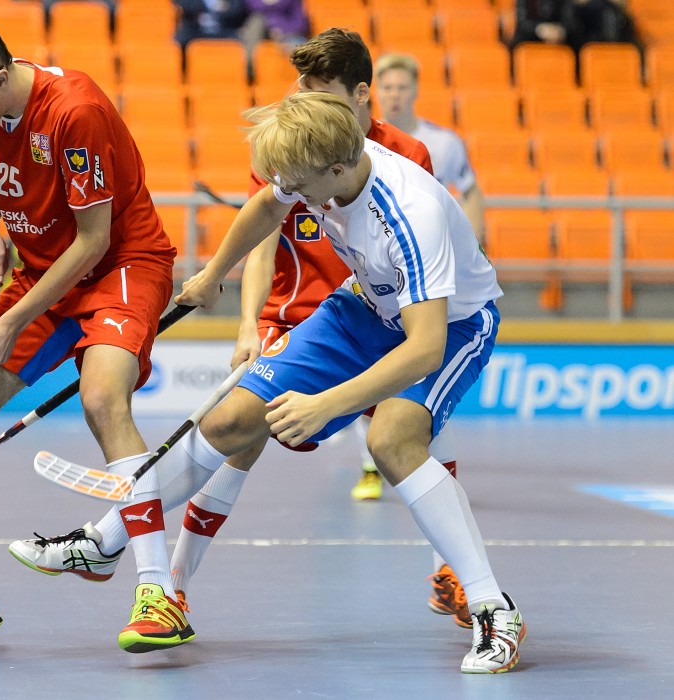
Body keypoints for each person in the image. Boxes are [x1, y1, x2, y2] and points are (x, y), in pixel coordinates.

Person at [12, 26, 471, 634]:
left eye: (320, 91)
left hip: (377, 314)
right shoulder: (295, 140)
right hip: (299, 315)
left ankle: (460, 577)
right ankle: (166, 590)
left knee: (408, 438)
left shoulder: (404, 155)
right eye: (300, 88)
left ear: (360, 96)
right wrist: (249, 322)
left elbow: (413, 247)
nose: (302, 101)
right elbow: (266, 230)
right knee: (234, 434)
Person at [164, 92, 524, 673]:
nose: (298, 200)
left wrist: (324, 404)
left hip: (452, 325)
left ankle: (492, 607)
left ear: (335, 169)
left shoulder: (410, 211)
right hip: (363, 305)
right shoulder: (322, 165)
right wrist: (212, 273)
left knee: (392, 440)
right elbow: (266, 206)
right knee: (230, 421)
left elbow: (424, 346)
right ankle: (106, 538)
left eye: (303, 187)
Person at [0, 19, 183, 654]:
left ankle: (158, 595)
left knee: (102, 400)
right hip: (41, 268)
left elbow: (93, 242)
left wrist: (8, 322)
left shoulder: (76, 113)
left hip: (120, 263)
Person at [374, 52, 486, 244]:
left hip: (433, 244)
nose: (394, 95)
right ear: (376, 92)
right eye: (387, 88)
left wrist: (472, 245)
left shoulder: (445, 142)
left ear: (416, 90)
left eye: (402, 88)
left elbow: (472, 192)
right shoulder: (364, 142)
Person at [509, 0, 638, 54]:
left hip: (561, 44)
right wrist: (540, 29)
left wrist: (561, 31)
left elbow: (570, 22)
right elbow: (522, 22)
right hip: (530, 40)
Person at [174, 0, 250, 50]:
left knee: (243, 42)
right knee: (178, 42)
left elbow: (236, 10)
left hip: (225, 30)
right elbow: (186, 5)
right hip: (195, 30)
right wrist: (213, 5)